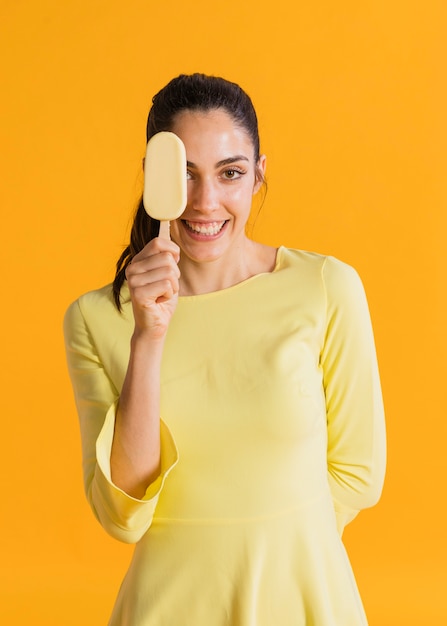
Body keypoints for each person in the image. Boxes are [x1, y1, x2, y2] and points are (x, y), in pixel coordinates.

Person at [64, 73, 386, 625]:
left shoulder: (326, 287)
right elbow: (123, 516)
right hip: (166, 608)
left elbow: (359, 473)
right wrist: (148, 337)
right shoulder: (95, 319)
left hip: (306, 601)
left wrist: (277, 542)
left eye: (230, 173)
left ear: (259, 175)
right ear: (152, 179)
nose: (205, 202)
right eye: (184, 176)